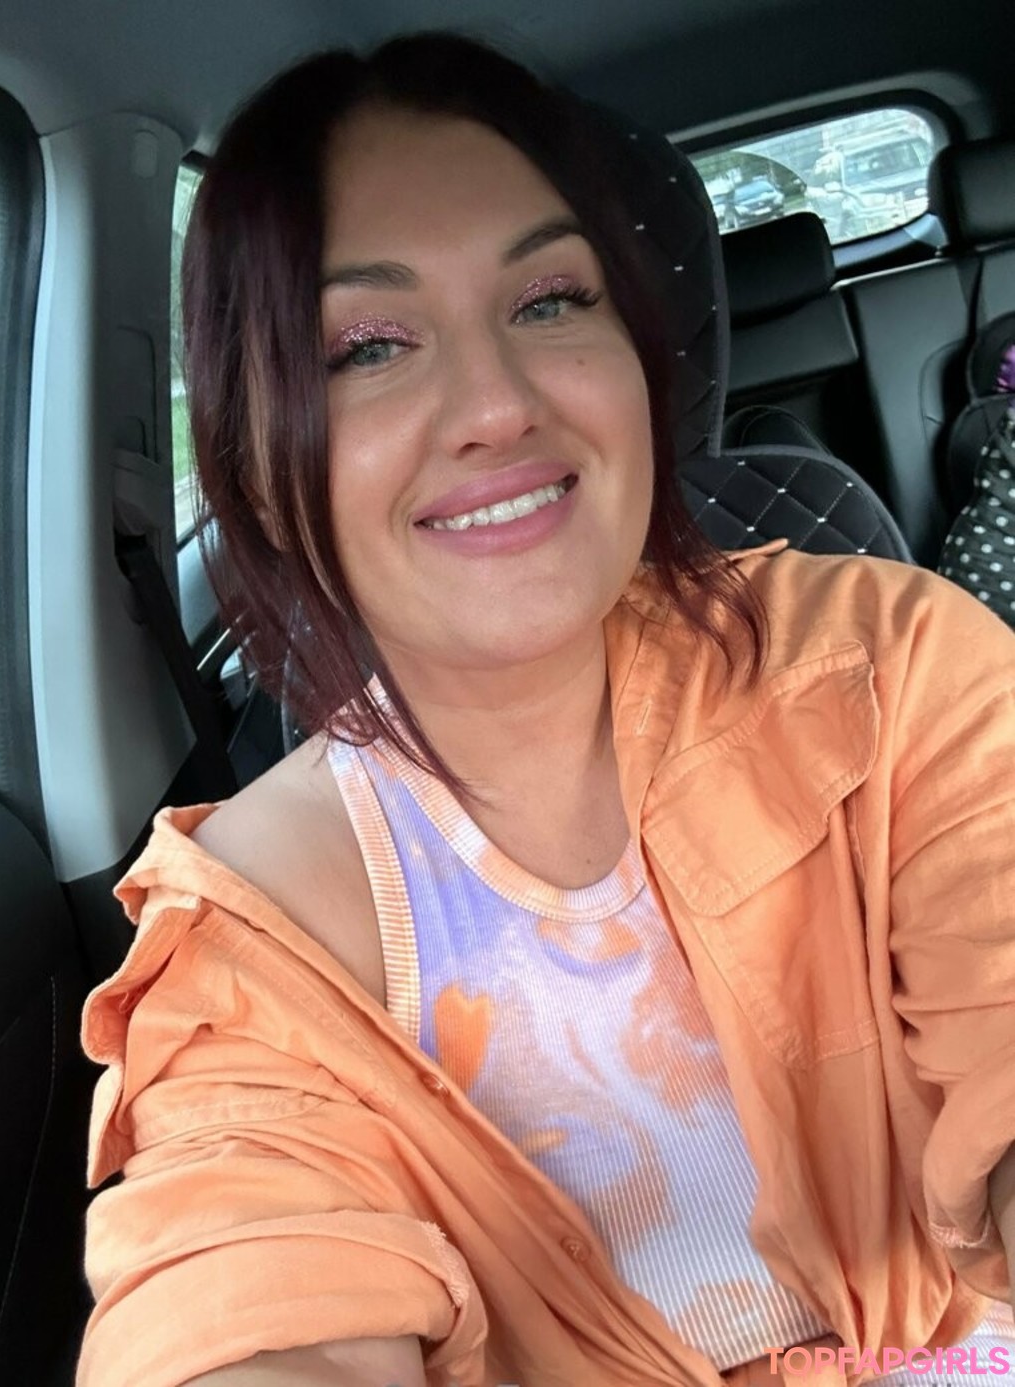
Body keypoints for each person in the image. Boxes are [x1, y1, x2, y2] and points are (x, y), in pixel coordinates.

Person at [75, 33, 1015, 1387]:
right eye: (368, 346)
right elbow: (246, 1286)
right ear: (260, 461)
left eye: (550, 301)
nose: (495, 406)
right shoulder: (247, 950)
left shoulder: (890, 668)